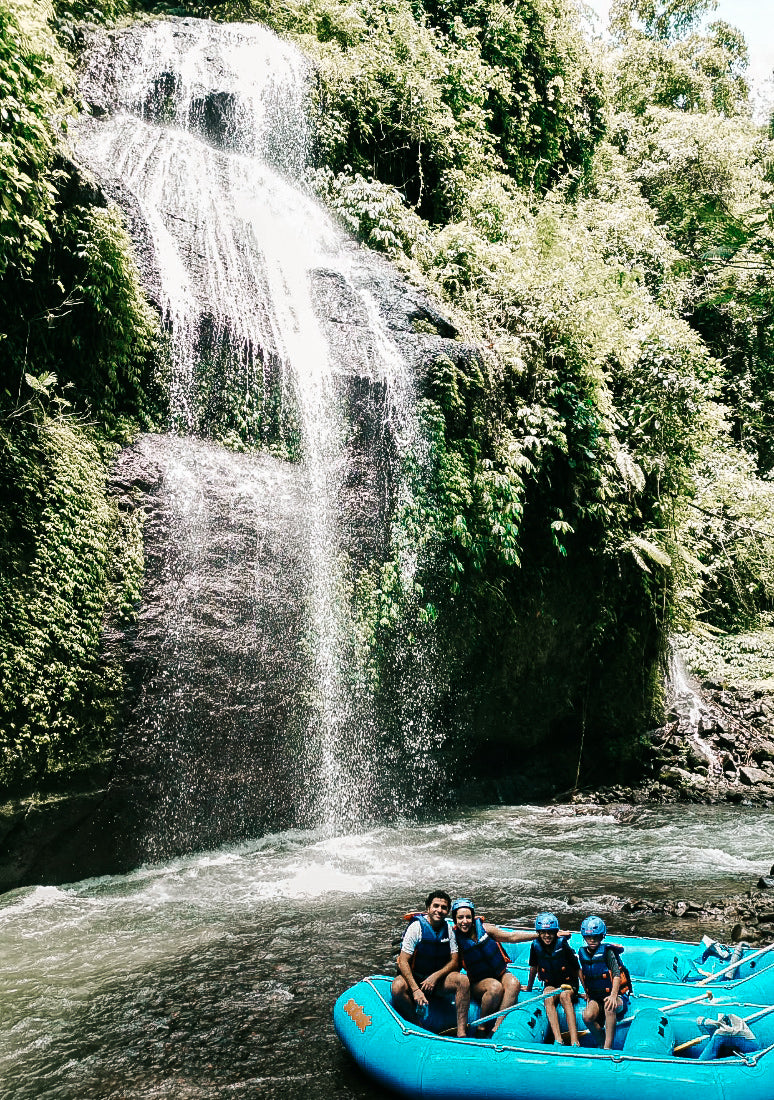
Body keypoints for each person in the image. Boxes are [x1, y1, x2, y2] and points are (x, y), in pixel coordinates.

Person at [391, 890, 471, 1038]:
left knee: (463, 980)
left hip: (437, 981)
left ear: (447, 911)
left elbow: (454, 961)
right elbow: (403, 961)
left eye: (443, 907)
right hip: (415, 978)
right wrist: (415, 990)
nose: (439, 910)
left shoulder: (449, 929)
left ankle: (461, 1032)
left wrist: (435, 977)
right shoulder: (416, 928)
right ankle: (417, 1026)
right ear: (428, 908)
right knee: (397, 987)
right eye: (436, 906)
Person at [449, 898, 532, 1034]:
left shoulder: (485, 929)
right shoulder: (454, 939)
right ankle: (482, 1026)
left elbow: (512, 937)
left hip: (499, 973)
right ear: (455, 920)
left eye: (468, 917)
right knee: (495, 987)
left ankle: (497, 1026)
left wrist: (539, 935)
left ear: (473, 917)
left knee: (514, 983)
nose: (465, 921)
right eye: (460, 917)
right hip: (478, 982)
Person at [525, 912, 581, 1046]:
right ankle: (558, 1039)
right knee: (547, 996)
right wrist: (529, 988)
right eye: (543, 932)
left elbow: (577, 969)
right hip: (551, 983)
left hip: (569, 983)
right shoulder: (535, 946)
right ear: (539, 933)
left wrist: (587, 992)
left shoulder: (563, 945)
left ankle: (574, 1040)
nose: (547, 936)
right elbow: (533, 968)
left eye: (550, 932)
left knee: (564, 997)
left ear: (555, 932)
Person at [577, 915, 632, 1050]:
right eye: (589, 937)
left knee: (609, 1006)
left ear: (602, 937)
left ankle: (608, 1048)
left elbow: (617, 975)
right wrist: (587, 993)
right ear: (584, 937)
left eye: (596, 937)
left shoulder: (608, 953)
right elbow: (581, 973)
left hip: (617, 996)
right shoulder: (582, 953)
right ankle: (601, 1041)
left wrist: (613, 996)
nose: (592, 940)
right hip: (596, 997)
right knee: (587, 1016)